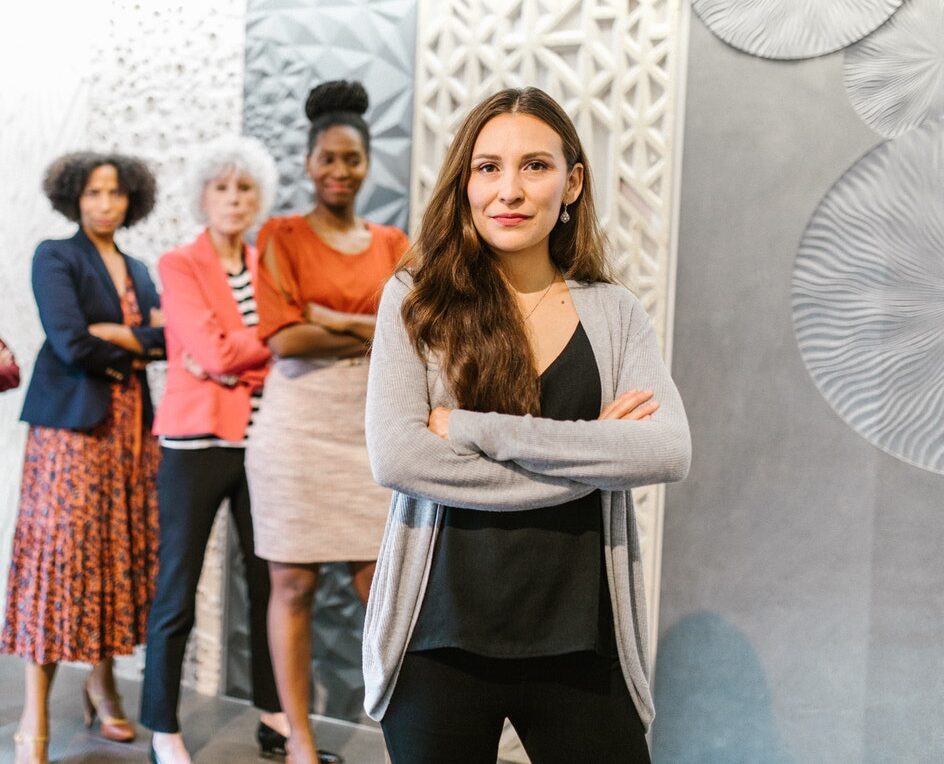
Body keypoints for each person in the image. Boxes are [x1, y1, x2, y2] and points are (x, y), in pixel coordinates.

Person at [362, 87, 692, 763]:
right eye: (488, 167)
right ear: (464, 182)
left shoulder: (615, 312)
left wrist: (473, 429)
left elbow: (665, 449)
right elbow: (398, 458)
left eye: (535, 166)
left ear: (572, 182)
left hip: (583, 637)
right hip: (437, 637)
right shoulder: (415, 302)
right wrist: (592, 451)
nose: (508, 190)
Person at [245, 80, 408, 764]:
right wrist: (362, 328)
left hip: (370, 430)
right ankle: (301, 745)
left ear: (368, 164)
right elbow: (283, 340)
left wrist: (331, 319)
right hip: (295, 430)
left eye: (352, 159)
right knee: (294, 584)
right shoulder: (279, 235)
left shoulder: (394, 243)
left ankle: (410, 733)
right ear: (309, 164)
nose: (340, 172)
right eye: (328, 159)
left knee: (386, 591)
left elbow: (410, 334)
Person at [1, 151, 164, 764]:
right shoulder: (55, 255)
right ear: (74, 196)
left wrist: (124, 337)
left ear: (131, 199)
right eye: (94, 192)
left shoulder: (141, 268)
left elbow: (170, 339)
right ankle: (33, 719)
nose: (105, 203)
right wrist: (134, 344)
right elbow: (69, 342)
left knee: (112, 557)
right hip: (70, 433)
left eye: (115, 193)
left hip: (130, 433)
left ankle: (102, 685)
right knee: (58, 562)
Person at [140, 135, 288, 764]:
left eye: (245, 187)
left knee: (270, 583)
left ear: (259, 198)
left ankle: (275, 713)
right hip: (196, 443)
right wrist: (262, 349)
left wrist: (242, 356)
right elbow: (214, 354)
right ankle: (162, 725)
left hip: (264, 444)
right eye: (222, 187)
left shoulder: (270, 264)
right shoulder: (180, 264)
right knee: (178, 587)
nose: (234, 198)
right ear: (202, 195)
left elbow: (281, 347)